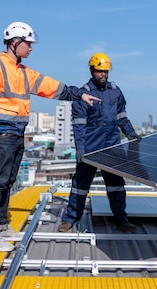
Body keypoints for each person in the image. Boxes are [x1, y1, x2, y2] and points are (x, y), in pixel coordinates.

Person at [0, 21, 100, 252]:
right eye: (28, 44)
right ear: (15, 43)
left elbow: (52, 87)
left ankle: (1, 225)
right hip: (1, 133)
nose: (31, 48)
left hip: (16, 133)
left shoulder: (22, 72)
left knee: (8, 180)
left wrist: (80, 95)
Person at [58, 52, 140, 233]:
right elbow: (78, 125)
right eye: (100, 71)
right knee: (80, 185)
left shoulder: (115, 91)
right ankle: (70, 219)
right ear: (91, 70)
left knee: (116, 185)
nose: (103, 74)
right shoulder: (83, 94)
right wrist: (80, 148)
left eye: (106, 71)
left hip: (112, 145)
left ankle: (121, 220)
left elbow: (122, 117)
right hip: (91, 147)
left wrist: (131, 133)